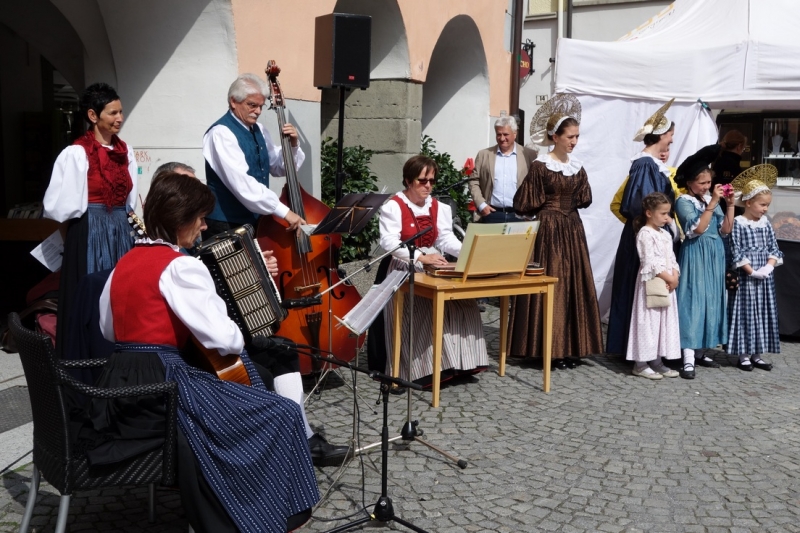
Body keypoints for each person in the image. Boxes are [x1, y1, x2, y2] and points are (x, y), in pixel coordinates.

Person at [88, 173, 319, 532]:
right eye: (199, 218)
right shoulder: (181, 266)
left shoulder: (126, 262)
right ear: (181, 219)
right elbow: (226, 341)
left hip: (119, 387)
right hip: (161, 387)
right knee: (282, 411)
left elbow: (108, 329)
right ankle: (273, 514)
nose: (204, 226)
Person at [367, 155, 488, 386]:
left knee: (463, 303)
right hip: (402, 265)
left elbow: (445, 239)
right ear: (408, 180)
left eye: (432, 180)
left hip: (432, 263)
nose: (428, 186)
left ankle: (457, 363)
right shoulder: (394, 206)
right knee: (417, 310)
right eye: (423, 181)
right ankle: (418, 370)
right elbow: (389, 243)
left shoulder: (439, 207)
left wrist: (468, 252)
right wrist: (421, 257)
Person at [43, 82, 137, 357]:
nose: (119, 118)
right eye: (112, 113)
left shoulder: (125, 151)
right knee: (92, 297)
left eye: (121, 112)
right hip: (90, 231)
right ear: (93, 116)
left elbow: (130, 201)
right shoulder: (76, 153)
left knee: (121, 296)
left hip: (121, 230)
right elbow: (60, 208)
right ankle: (89, 361)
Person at [508, 106, 603, 368]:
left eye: (576, 137)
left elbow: (585, 198)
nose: (574, 142)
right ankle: (545, 348)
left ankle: (570, 346)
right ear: (555, 136)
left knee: (572, 281)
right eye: (570, 136)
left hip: (572, 228)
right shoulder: (541, 166)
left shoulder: (577, 166)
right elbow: (524, 203)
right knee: (552, 281)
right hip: (548, 229)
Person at [606, 99, 677, 357]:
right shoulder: (645, 165)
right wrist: (658, 228)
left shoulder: (652, 165)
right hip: (643, 236)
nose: (671, 139)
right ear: (661, 135)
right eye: (670, 134)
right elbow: (640, 204)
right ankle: (636, 351)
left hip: (648, 234)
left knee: (650, 294)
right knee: (642, 292)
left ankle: (649, 351)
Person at [202, 73, 306, 238]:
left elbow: (278, 168)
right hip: (226, 224)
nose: (257, 111)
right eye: (252, 105)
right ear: (233, 101)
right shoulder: (221, 133)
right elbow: (242, 183)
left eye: (261, 106)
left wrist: (293, 145)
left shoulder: (261, 130)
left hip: (256, 220)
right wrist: (284, 211)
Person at [673, 145, 736, 379]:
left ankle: (700, 351)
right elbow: (697, 229)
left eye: (708, 183)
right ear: (690, 183)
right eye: (701, 183)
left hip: (714, 253)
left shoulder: (710, 199)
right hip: (696, 253)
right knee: (693, 300)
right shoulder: (683, 201)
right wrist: (713, 203)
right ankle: (687, 355)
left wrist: (729, 205)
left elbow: (725, 230)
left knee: (712, 299)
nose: (706, 187)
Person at [728, 170, 783, 371]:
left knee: (762, 312)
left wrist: (768, 266)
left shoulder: (765, 223)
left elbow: (773, 246)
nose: (765, 209)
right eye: (762, 204)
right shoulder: (739, 223)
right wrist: (751, 271)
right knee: (745, 313)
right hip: (747, 275)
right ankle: (743, 354)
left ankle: (757, 353)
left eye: (767, 205)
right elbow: (736, 249)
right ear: (749, 202)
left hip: (764, 276)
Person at [626, 193, 681, 379]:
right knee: (648, 323)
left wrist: (675, 276)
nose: (667, 218)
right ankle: (641, 363)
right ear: (649, 213)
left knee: (662, 323)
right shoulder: (645, 233)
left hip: (667, 283)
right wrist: (668, 278)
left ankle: (657, 360)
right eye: (663, 214)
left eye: (668, 213)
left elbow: (671, 258)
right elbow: (649, 262)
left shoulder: (665, 234)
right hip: (653, 283)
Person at [468, 114, 538, 223]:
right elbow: (473, 180)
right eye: (498, 134)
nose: (502, 138)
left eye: (506, 134)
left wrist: (531, 210)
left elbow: (536, 184)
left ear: (515, 134)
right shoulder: (484, 155)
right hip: (492, 214)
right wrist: (481, 204)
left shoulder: (529, 155)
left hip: (520, 215)